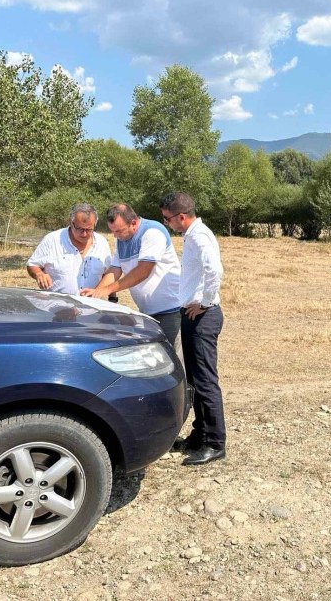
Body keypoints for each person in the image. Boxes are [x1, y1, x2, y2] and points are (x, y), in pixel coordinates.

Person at [160, 192, 226, 466]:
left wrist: (205, 303)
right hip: (192, 313)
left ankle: (214, 443)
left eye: (167, 219)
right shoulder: (192, 235)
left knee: (206, 381)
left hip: (203, 316)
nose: (167, 223)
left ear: (181, 217)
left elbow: (215, 270)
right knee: (196, 381)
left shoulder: (199, 236)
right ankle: (199, 435)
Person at [80, 204, 182, 346]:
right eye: (112, 231)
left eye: (118, 231)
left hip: (170, 309)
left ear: (133, 223)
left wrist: (107, 290)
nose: (115, 235)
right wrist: (96, 293)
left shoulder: (152, 232)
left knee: (173, 359)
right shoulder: (121, 239)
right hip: (148, 312)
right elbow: (115, 270)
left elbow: (143, 271)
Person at [26, 203, 114, 296]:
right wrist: (39, 274)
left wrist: (112, 298)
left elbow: (108, 273)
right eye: (80, 229)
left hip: (91, 307)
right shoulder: (52, 239)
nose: (84, 234)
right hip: (55, 306)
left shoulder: (102, 243)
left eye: (89, 229)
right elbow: (32, 265)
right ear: (70, 222)